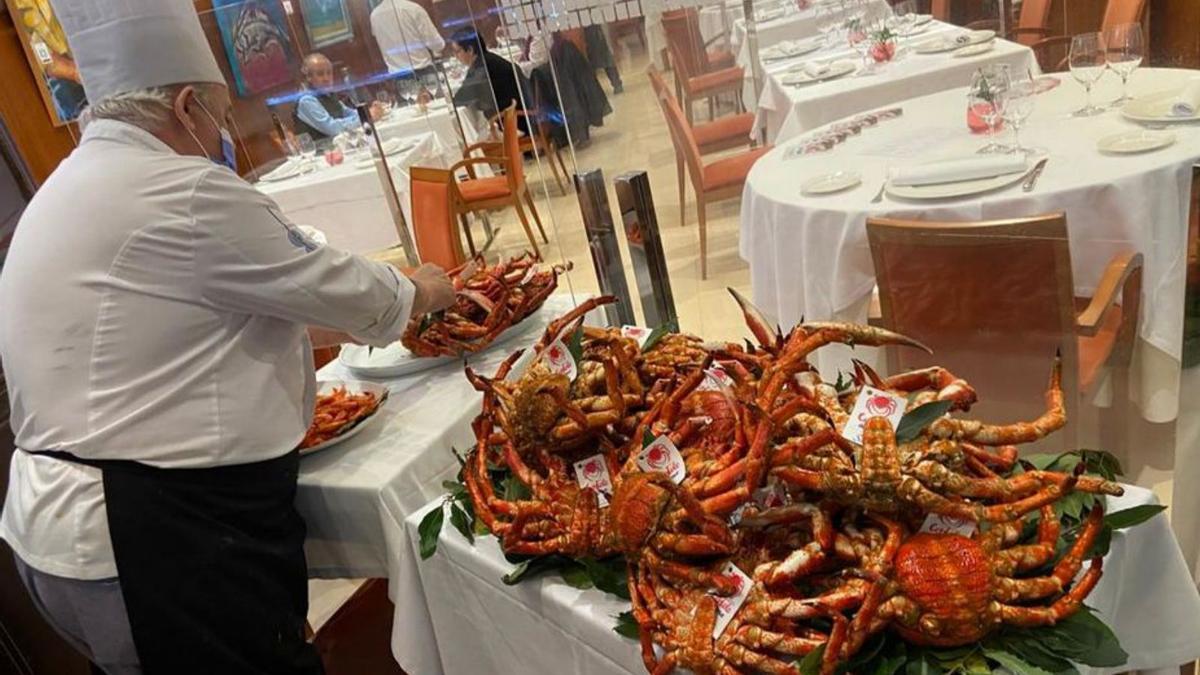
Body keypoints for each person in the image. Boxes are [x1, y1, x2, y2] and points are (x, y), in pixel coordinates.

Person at [0, 1, 455, 673]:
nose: (221, 133)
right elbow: (342, 286)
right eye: (216, 114)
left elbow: (204, 318)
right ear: (187, 107)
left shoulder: (64, 190)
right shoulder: (180, 189)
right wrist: (423, 289)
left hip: (56, 536)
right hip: (150, 539)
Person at [293, 52, 383, 145]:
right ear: (308, 77)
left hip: (339, 148)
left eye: (329, 73)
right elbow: (332, 128)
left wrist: (368, 112)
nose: (326, 78)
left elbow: (347, 113)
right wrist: (365, 117)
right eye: (320, 74)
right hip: (319, 155)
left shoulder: (328, 94)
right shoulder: (306, 100)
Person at [449, 28, 532, 125]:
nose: (455, 56)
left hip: (515, 123)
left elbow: (460, 99)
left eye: (457, 51)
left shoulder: (480, 67)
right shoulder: (489, 59)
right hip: (520, 115)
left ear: (470, 50)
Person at [370, 0, 446, 80]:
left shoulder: (374, 16)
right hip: (423, 72)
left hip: (397, 76)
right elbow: (437, 45)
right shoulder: (413, 9)